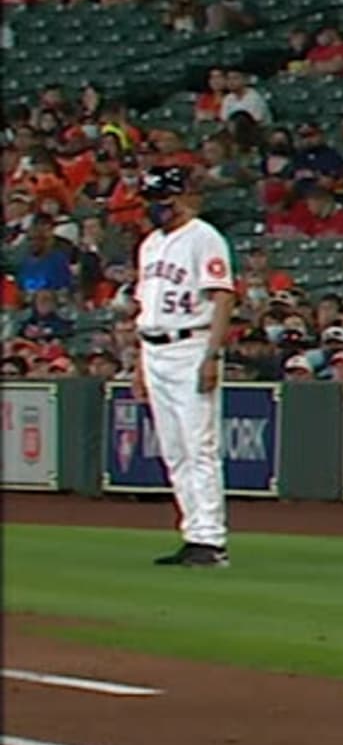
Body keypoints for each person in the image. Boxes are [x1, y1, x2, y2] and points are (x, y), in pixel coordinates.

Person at [122, 166, 236, 566]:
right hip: (154, 349)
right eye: (151, 201)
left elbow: (223, 298)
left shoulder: (204, 237)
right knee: (174, 450)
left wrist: (211, 355)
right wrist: (139, 364)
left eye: (163, 200)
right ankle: (193, 533)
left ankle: (211, 539)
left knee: (198, 445)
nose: (156, 208)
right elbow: (145, 309)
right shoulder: (150, 244)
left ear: (181, 197)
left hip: (191, 345)